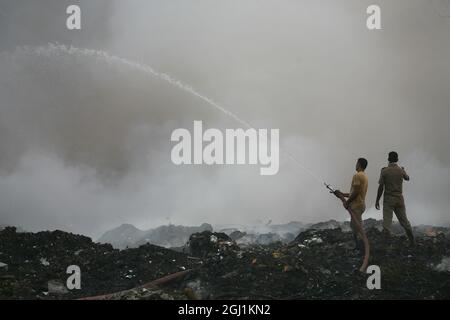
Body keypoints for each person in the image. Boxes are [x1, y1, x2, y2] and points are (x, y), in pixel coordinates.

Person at [375, 151, 415, 246]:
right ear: (397, 159)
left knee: (387, 225)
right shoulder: (400, 170)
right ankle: (412, 241)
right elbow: (407, 178)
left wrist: (377, 200)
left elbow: (381, 187)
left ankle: (386, 246)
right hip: (399, 199)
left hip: (389, 200)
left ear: (388, 159)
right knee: (405, 222)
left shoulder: (384, 171)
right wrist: (403, 171)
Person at [334, 158, 369, 248]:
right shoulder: (364, 176)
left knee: (356, 227)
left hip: (357, 205)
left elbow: (356, 192)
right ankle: (359, 246)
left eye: (356, 163)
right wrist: (342, 194)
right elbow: (355, 192)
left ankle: (361, 247)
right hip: (361, 204)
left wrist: (347, 202)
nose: (355, 165)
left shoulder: (357, 176)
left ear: (359, 164)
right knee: (356, 226)